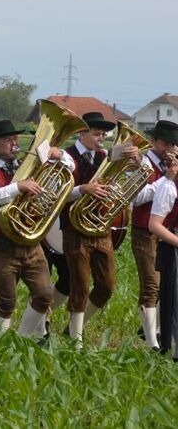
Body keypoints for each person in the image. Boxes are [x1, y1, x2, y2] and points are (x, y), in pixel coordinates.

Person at [0, 119, 75, 335]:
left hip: (31, 242)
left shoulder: (28, 165)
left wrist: (60, 154)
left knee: (44, 295)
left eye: (15, 139)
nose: (14, 143)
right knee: (6, 301)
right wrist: (18, 187)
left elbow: (70, 168)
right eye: (7, 140)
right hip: (3, 245)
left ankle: (21, 337)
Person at [59, 112, 135, 345]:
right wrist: (83, 189)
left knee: (107, 286)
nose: (102, 138)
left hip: (100, 227)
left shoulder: (105, 157)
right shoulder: (67, 157)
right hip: (74, 228)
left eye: (104, 134)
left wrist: (135, 161)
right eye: (97, 133)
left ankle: (72, 330)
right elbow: (57, 193)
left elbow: (127, 175)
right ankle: (76, 341)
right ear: (82, 134)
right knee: (80, 286)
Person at [129, 119, 178, 350]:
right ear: (152, 141)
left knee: (167, 285)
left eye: (174, 144)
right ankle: (152, 344)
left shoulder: (172, 163)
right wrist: (166, 179)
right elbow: (136, 198)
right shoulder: (142, 163)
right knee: (151, 285)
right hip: (144, 232)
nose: (170, 149)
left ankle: (152, 330)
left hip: (168, 232)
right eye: (165, 143)